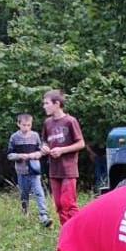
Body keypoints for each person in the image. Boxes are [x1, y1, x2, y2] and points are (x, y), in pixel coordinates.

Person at [41, 89, 85, 224]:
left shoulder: (70, 121)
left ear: (57, 104)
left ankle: (79, 230)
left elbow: (81, 143)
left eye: (47, 103)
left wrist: (62, 150)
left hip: (68, 169)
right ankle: (65, 233)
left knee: (68, 203)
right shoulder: (47, 123)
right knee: (59, 205)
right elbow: (44, 141)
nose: (44, 106)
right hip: (54, 170)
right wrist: (44, 148)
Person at [6, 112, 51, 227]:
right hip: (21, 171)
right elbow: (9, 155)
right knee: (24, 194)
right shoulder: (14, 137)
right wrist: (20, 156)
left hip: (34, 169)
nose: (26, 127)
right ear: (18, 124)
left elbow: (41, 150)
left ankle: (43, 216)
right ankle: (25, 212)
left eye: (29, 125)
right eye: (24, 125)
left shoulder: (35, 136)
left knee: (39, 192)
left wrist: (35, 154)